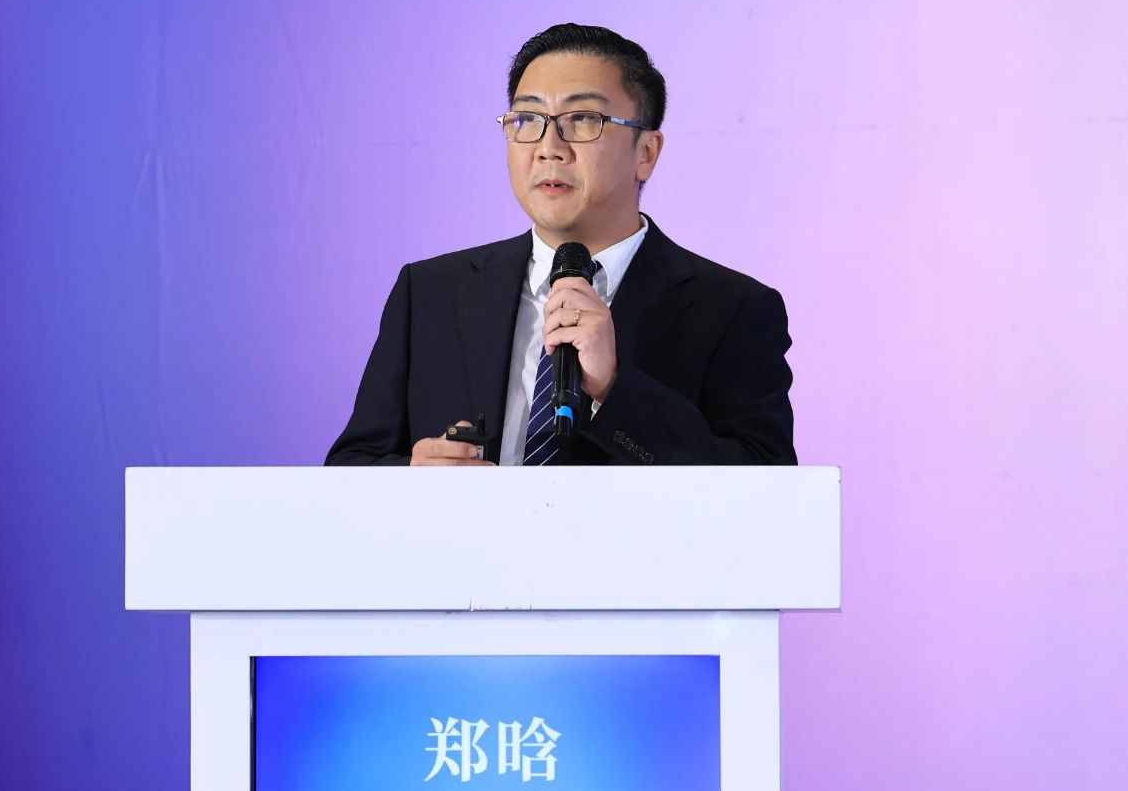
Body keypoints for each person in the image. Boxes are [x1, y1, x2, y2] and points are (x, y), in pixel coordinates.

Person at [326, 23, 797, 467]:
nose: (548, 147)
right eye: (527, 119)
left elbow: (768, 487)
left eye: (583, 119)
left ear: (646, 153)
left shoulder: (731, 309)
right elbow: (351, 468)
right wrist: (410, 476)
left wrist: (614, 387)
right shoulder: (430, 292)